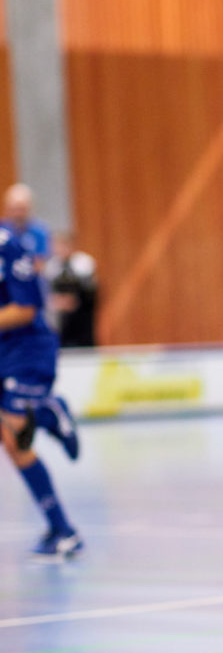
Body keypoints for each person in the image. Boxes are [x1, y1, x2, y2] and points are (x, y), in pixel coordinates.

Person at [0, 219, 82, 561]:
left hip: (27, 350)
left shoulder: (6, 244)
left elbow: (26, 308)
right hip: (3, 351)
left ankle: (64, 531)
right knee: (10, 441)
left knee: (16, 437)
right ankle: (60, 528)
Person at [44, 231, 98, 348]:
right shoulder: (53, 265)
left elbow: (90, 289)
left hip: (82, 311)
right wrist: (58, 300)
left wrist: (73, 299)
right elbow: (49, 290)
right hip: (61, 316)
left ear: (72, 245)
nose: (61, 249)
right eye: (58, 246)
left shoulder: (83, 262)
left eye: (64, 245)